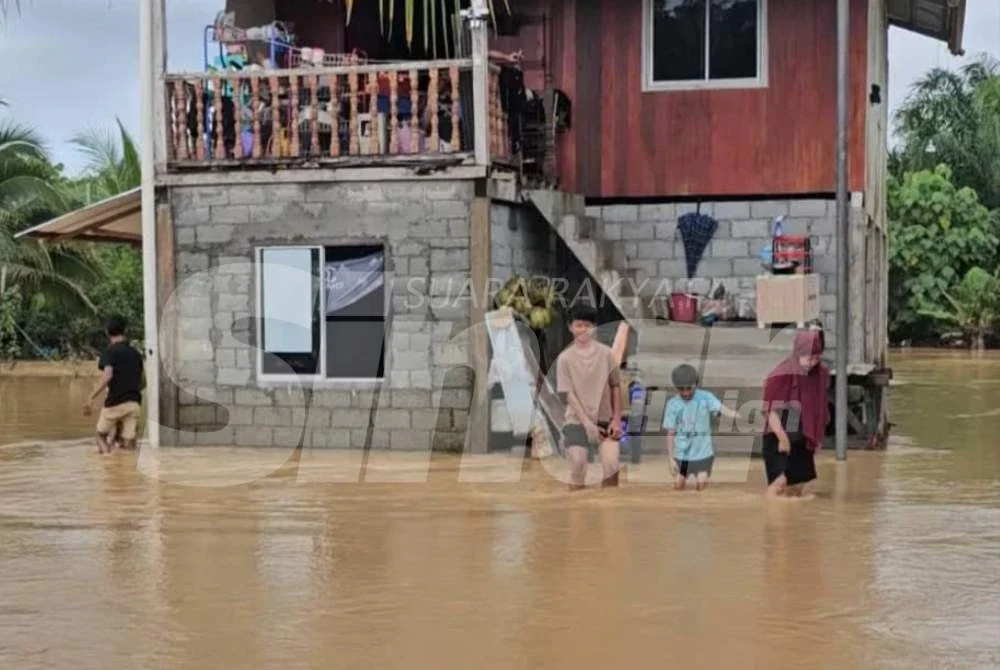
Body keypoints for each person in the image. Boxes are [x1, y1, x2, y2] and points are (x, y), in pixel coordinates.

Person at [556, 305, 623, 491]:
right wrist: (587, 424)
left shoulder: (607, 354)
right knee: (578, 465)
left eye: (588, 325)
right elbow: (568, 394)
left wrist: (616, 420)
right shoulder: (564, 359)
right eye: (579, 325)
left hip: (605, 419)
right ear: (570, 327)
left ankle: (609, 507)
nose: (583, 330)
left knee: (612, 468)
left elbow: (616, 386)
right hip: (576, 421)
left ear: (594, 327)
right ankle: (576, 506)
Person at [761, 328, 830, 498]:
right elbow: (770, 411)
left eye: (816, 358)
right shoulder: (780, 374)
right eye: (809, 358)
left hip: (803, 437)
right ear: (798, 353)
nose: (812, 363)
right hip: (778, 436)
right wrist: (782, 438)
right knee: (779, 483)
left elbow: (820, 408)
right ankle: (769, 509)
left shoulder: (820, 375)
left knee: (797, 486)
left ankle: (792, 515)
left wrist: (817, 439)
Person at [663, 364, 740, 491]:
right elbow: (670, 433)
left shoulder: (706, 397)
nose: (686, 393)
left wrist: (731, 414)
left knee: (701, 484)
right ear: (676, 387)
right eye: (681, 389)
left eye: (689, 388)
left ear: (695, 385)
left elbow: (719, 407)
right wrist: (671, 459)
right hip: (682, 454)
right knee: (678, 485)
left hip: (703, 454)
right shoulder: (673, 404)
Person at [83, 316, 145, 454]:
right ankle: (127, 464)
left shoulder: (109, 352)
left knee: (100, 436)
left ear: (107, 332)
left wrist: (91, 397)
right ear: (125, 331)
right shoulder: (136, 354)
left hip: (114, 403)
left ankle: (108, 460)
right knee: (128, 443)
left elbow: (108, 375)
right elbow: (143, 382)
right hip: (134, 404)